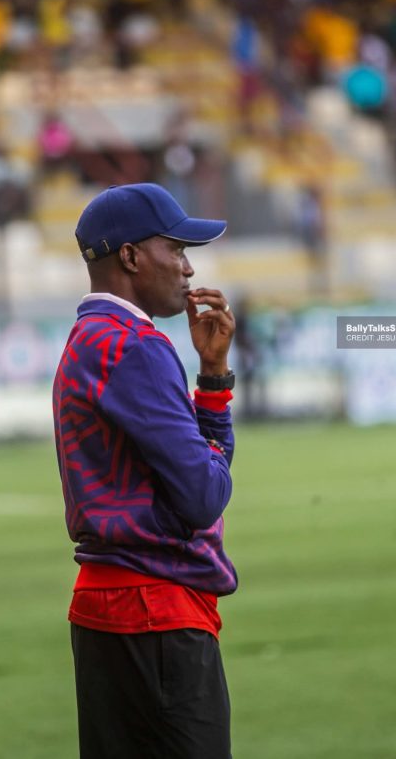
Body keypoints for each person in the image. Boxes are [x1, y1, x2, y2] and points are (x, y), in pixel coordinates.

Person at [53, 182, 238, 759]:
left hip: (100, 610)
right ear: (131, 256)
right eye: (176, 249)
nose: (188, 268)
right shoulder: (137, 345)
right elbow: (204, 495)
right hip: (157, 612)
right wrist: (216, 397)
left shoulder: (87, 339)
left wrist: (210, 373)